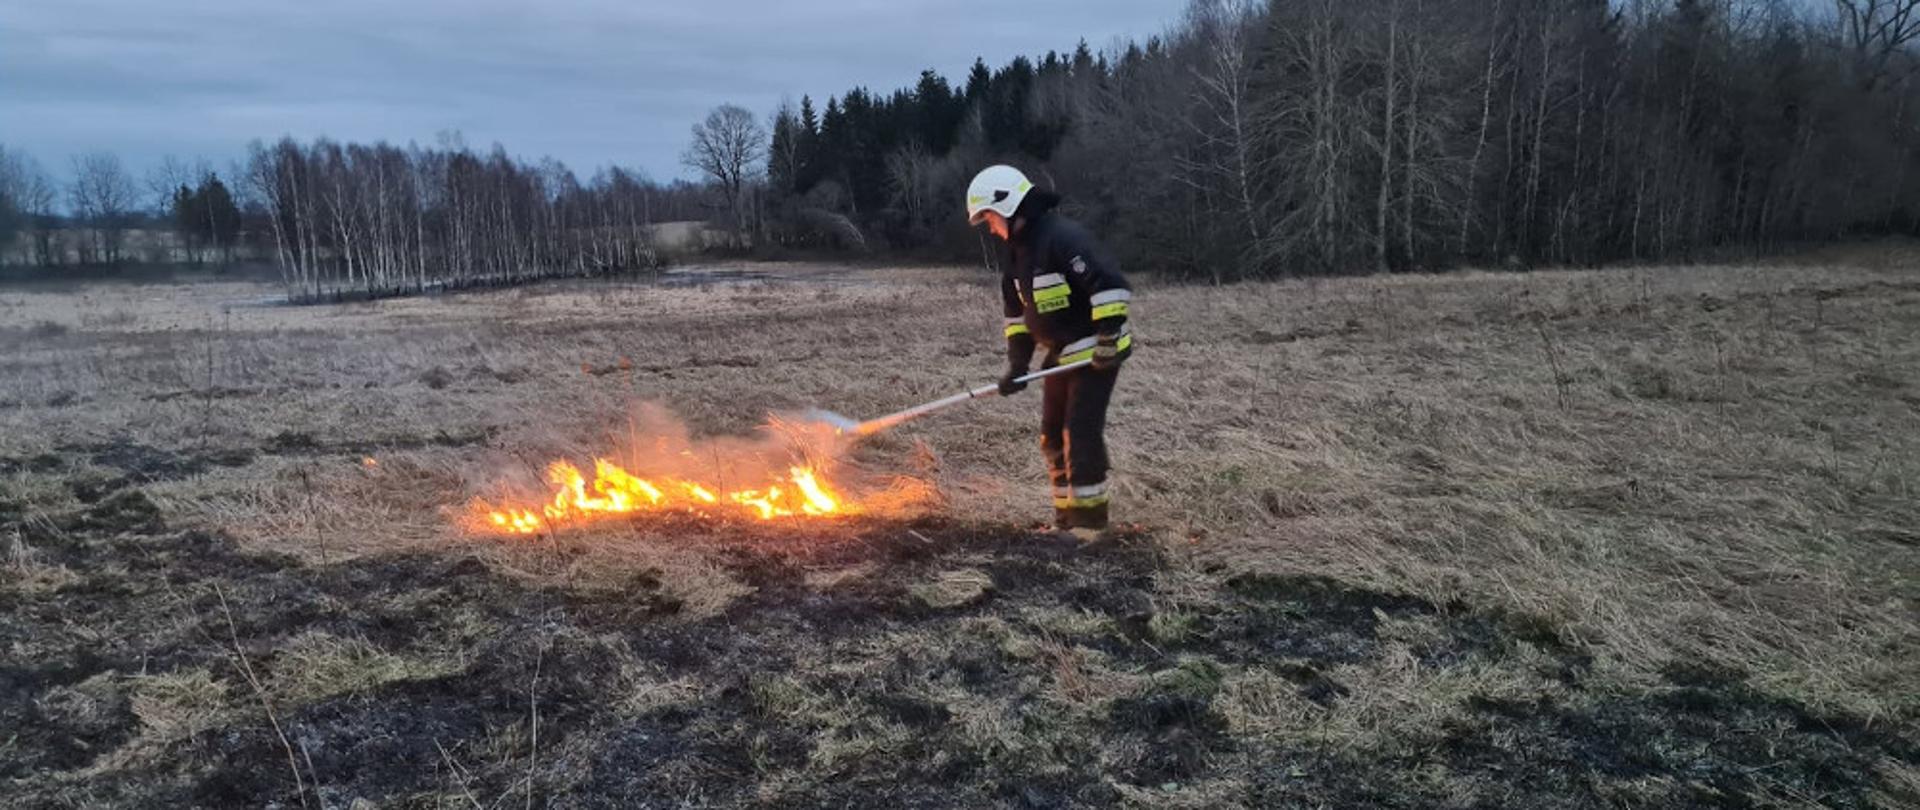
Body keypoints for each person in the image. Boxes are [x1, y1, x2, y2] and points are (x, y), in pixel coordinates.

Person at [966, 165, 1132, 538]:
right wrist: (1017, 366)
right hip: (1061, 355)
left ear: (1007, 206)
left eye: (989, 217)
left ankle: (1089, 526)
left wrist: (1108, 337)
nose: (990, 227)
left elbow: (1108, 284)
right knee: (1051, 435)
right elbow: (1017, 318)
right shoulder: (1016, 256)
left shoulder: (1063, 238)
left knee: (1080, 432)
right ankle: (1065, 520)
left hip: (1096, 352)